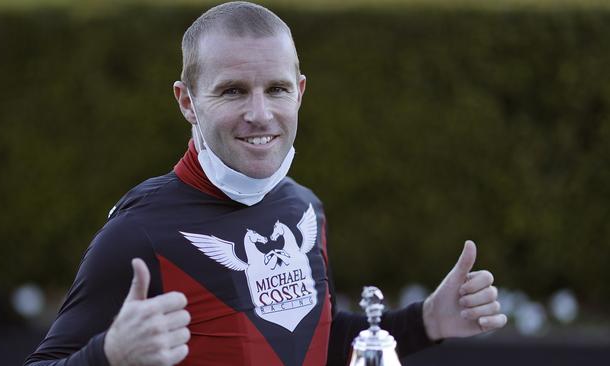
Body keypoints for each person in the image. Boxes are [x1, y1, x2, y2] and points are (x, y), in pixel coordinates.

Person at [25, 2, 507, 365]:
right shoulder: (138, 234)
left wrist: (426, 322)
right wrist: (107, 356)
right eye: (232, 91)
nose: (260, 114)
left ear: (298, 92)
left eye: (276, 89)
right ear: (187, 102)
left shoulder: (304, 208)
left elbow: (311, 340)